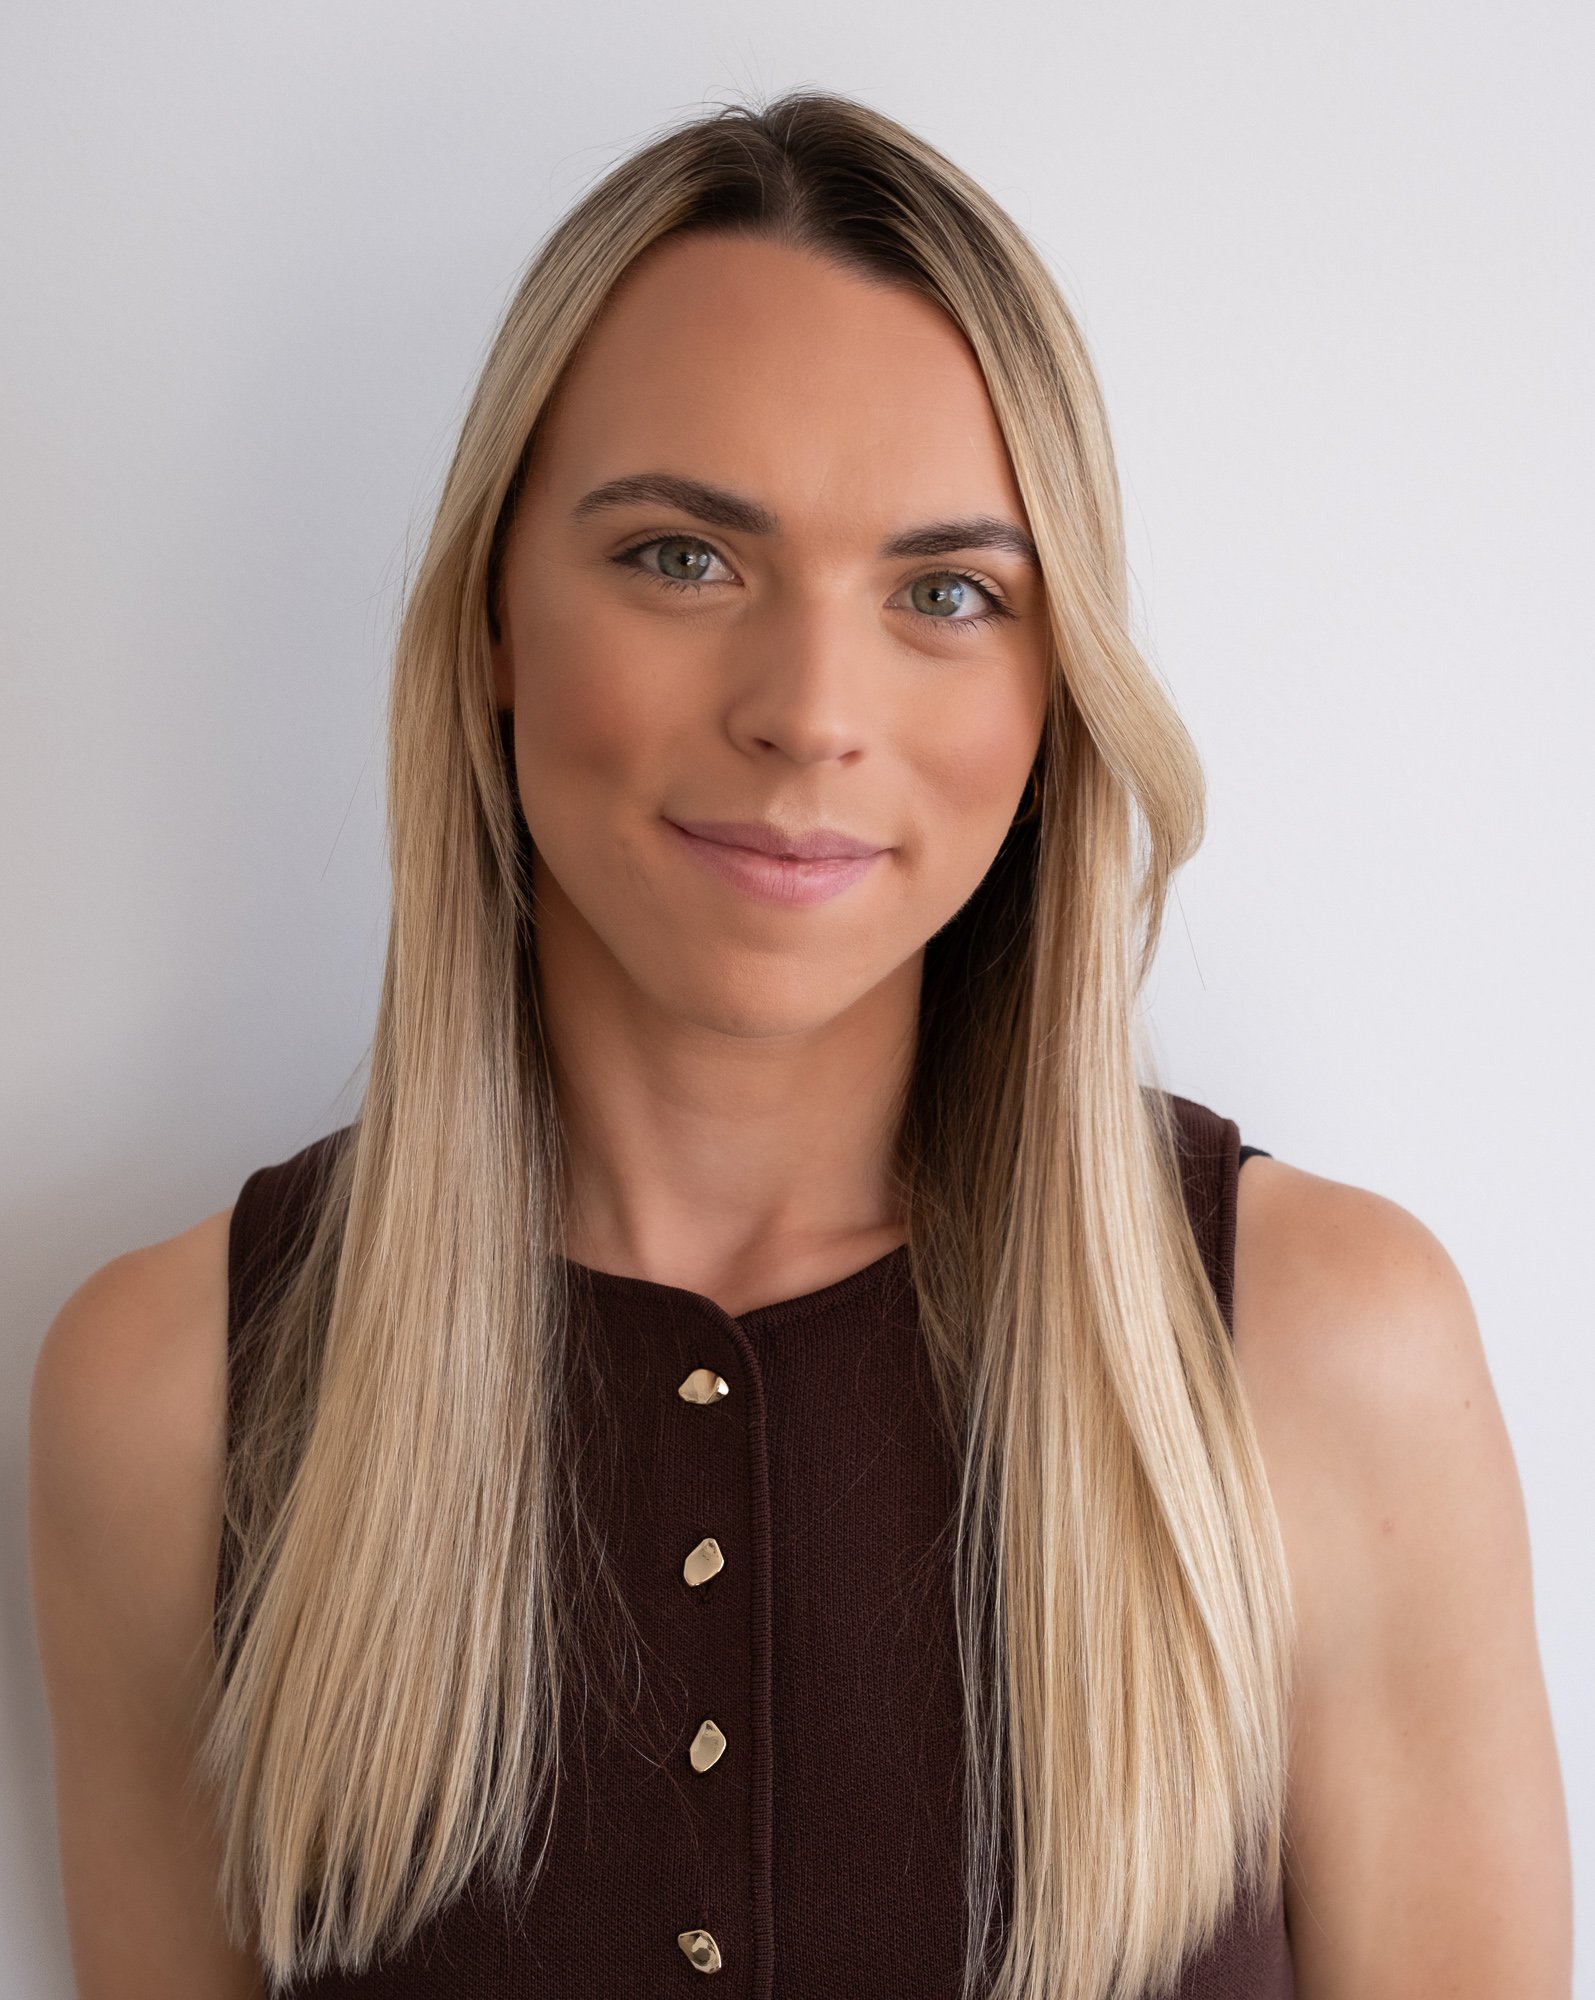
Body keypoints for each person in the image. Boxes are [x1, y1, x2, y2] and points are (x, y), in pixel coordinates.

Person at [27, 88, 1570, 2000]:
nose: (812, 710)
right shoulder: (168, 1402)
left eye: (947, 594)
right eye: (685, 557)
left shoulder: (1322, 1356)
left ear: (1054, 688)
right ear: (497, 616)